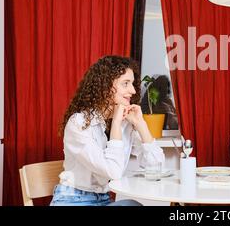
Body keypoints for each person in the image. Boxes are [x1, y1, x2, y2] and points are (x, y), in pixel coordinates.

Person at [50, 56, 165, 206]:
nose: (133, 90)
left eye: (132, 83)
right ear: (105, 86)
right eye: (125, 84)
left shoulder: (126, 123)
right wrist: (116, 123)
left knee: (132, 205)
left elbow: (156, 167)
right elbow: (113, 172)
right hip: (72, 200)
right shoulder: (79, 123)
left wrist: (140, 124)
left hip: (103, 200)